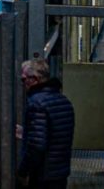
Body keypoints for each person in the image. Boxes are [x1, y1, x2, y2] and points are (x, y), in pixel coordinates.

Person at [16, 58, 75, 188]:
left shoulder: (37, 104)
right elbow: (55, 135)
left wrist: (23, 170)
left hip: (43, 176)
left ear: (34, 79)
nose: (23, 84)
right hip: (60, 172)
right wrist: (26, 132)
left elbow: (37, 145)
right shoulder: (64, 101)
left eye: (24, 79)